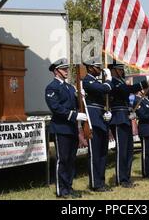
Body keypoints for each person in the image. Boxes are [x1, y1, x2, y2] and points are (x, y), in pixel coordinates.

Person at [108, 61, 149, 188]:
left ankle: (126, 177)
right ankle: (121, 179)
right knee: (122, 150)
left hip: (125, 116)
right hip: (118, 118)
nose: (122, 72)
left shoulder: (121, 82)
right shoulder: (113, 83)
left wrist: (130, 111)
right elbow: (127, 90)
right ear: (114, 70)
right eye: (120, 69)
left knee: (129, 150)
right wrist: (147, 82)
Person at [45, 58, 85, 199]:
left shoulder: (69, 87)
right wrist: (74, 116)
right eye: (64, 69)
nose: (67, 71)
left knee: (71, 160)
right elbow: (56, 108)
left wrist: (81, 96)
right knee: (62, 159)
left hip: (71, 128)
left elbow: (76, 104)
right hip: (61, 127)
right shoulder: (52, 87)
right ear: (56, 71)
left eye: (67, 69)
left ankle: (68, 186)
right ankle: (61, 190)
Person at [82, 59, 113, 192]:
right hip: (93, 120)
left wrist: (108, 112)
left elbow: (108, 96)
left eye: (100, 67)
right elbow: (104, 89)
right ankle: (95, 183)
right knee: (95, 154)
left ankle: (101, 182)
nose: (100, 69)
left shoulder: (95, 80)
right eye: (97, 67)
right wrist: (109, 79)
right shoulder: (87, 81)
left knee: (102, 153)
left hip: (101, 119)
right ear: (90, 68)